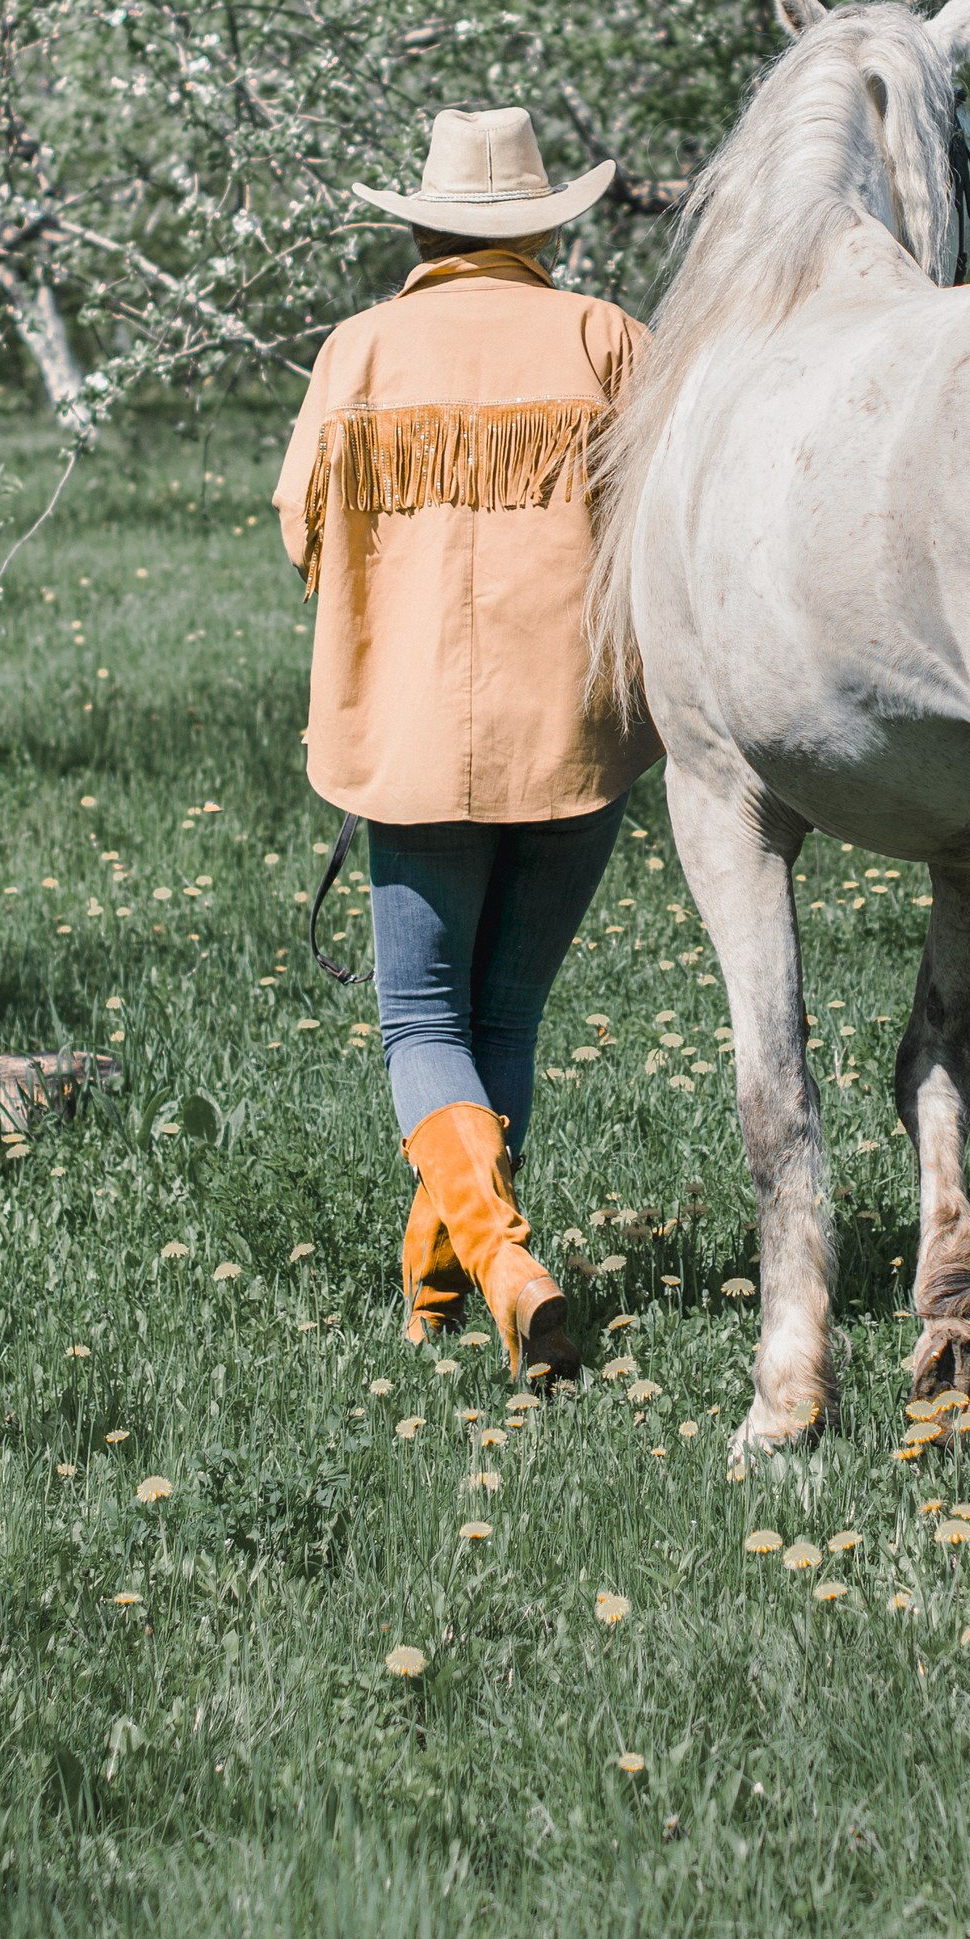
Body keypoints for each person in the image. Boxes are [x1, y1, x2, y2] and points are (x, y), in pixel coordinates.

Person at [273, 107, 655, 1384]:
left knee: (421, 1015)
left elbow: (300, 532)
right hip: (576, 738)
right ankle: (443, 1295)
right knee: (506, 1015)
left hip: (412, 736)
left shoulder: (362, 348)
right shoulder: (610, 339)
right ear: (544, 226)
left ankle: (494, 1264)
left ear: (425, 223)